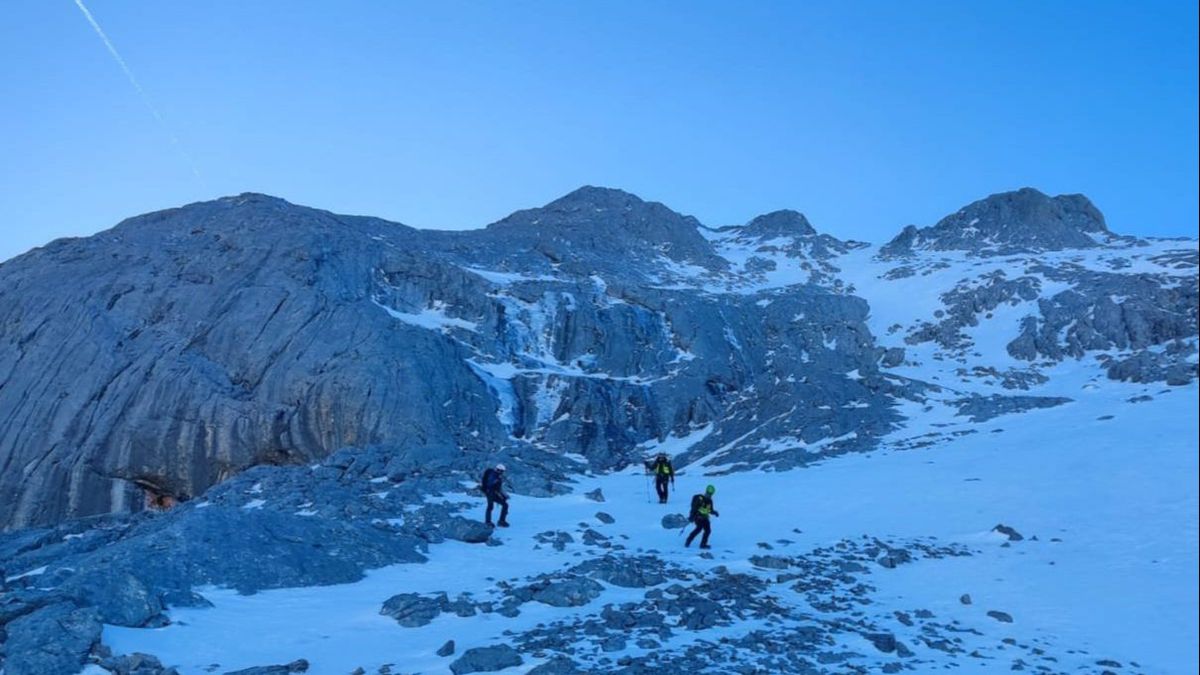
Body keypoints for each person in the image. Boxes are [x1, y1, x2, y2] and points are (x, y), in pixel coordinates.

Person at [685, 484, 719, 549]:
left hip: (705, 517)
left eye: (710, 494)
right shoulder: (699, 499)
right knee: (699, 528)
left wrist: (715, 513)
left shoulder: (710, 501)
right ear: (706, 492)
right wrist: (692, 516)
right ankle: (688, 541)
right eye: (708, 493)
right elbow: (694, 508)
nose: (709, 495)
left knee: (708, 530)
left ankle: (703, 544)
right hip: (698, 517)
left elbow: (710, 510)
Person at [480, 463, 509, 527]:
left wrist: (503, 494)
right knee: (491, 506)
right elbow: (492, 485)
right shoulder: (494, 476)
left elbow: (497, 488)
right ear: (498, 470)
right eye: (501, 471)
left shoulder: (495, 475)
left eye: (502, 471)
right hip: (490, 493)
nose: (502, 472)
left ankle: (495, 521)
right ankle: (492, 522)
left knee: (503, 505)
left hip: (491, 493)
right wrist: (501, 494)